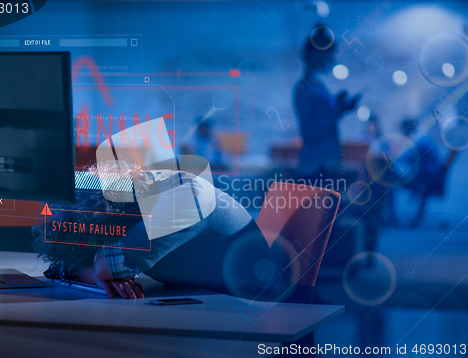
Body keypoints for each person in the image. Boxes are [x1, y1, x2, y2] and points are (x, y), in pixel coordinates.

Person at [33, 159, 267, 299]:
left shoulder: (183, 192)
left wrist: (104, 263)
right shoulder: (137, 203)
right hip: (212, 306)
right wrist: (89, 272)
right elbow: (62, 263)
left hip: (256, 308)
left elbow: (197, 195)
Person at [294, 24, 360, 181]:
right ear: (317, 54)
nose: (332, 59)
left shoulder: (315, 86)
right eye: (329, 54)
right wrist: (339, 110)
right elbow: (310, 134)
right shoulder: (305, 88)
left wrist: (338, 108)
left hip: (324, 165)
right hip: (317, 168)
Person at [401, 119, 445, 226]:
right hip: (430, 175)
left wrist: (392, 159)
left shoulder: (419, 140)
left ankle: (390, 218)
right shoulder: (421, 137)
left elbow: (409, 156)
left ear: (407, 129)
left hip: (429, 177)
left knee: (393, 179)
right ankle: (416, 215)